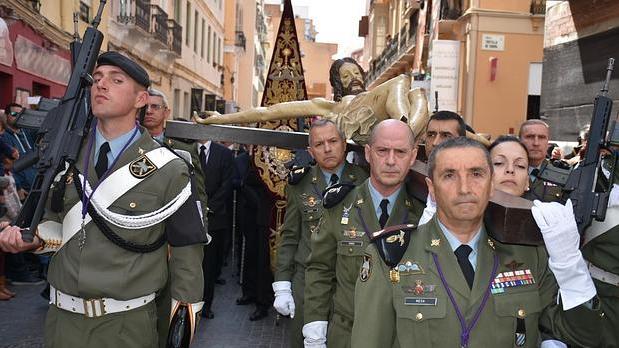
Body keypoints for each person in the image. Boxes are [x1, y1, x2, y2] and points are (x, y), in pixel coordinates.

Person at [0, 52, 206, 347]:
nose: (101, 85)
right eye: (97, 79)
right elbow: (56, 222)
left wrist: (180, 329)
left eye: (116, 80)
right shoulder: (65, 157)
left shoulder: (170, 168)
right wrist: (31, 239)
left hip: (127, 326)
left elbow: (187, 255)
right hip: (62, 322)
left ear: (141, 100)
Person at [351, 137, 603, 348]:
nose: (464, 188)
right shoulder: (392, 255)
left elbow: (585, 337)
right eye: (449, 175)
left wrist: (571, 268)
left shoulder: (530, 255)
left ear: (491, 184)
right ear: (432, 188)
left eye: (476, 174)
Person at [302, 119, 424, 348]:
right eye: (382, 151)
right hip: (348, 334)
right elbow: (319, 268)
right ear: (368, 153)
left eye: (400, 152)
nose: (390, 161)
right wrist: (315, 324)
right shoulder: (340, 207)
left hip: (401, 337)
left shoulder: (421, 215)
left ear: (413, 156)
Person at [272, 119, 368, 347]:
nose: (327, 148)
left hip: (348, 282)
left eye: (333, 141)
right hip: (306, 282)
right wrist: (283, 284)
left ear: (344, 144)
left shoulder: (364, 181)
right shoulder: (300, 183)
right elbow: (289, 237)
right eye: (319, 144)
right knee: (303, 341)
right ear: (310, 151)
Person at [194, 58, 430, 145]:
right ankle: (406, 133)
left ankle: (407, 132)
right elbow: (269, 111)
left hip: (382, 117)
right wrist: (222, 118)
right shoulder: (329, 106)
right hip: (360, 122)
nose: (354, 78)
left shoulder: (376, 95)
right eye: (346, 76)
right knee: (400, 80)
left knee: (418, 94)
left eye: (357, 73)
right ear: (338, 84)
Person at [200, 133, 235, 317]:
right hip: (190, 218)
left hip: (215, 219)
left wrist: (208, 207)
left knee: (210, 265)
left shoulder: (224, 154)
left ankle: (206, 305)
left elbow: (227, 185)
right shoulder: (185, 150)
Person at [519, 119, 564, 202]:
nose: (536, 143)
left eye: (542, 137)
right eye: (530, 137)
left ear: (548, 142)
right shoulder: (509, 172)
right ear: (520, 141)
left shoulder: (561, 175)